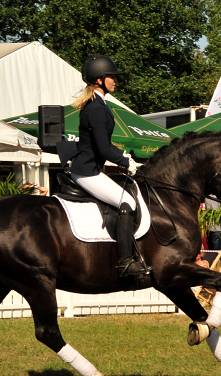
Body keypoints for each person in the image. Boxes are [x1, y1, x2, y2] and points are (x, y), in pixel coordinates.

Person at [67, 55, 145, 278]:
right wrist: (127, 161)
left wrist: (124, 157)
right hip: (87, 171)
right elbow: (103, 149)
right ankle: (125, 261)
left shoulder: (97, 104)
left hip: (90, 168)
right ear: (99, 80)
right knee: (127, 201)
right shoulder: (96, 109)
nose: (115, 80)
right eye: (112, 76)